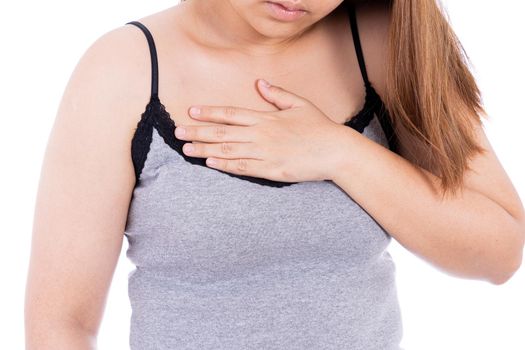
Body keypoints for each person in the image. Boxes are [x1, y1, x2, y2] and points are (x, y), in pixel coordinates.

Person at [25, 0, 525, 349]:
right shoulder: (123, 69)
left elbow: (499, 252)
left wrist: (340, 152)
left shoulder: (380, 41)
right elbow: (60, 325)